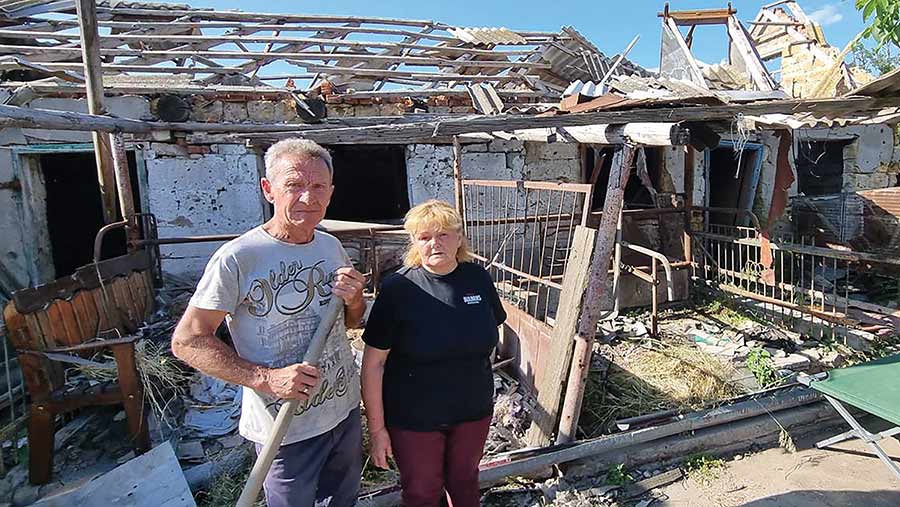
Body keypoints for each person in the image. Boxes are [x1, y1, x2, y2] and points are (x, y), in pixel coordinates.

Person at [171, 138, 367, 507]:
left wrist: (355, 300)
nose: (308, 198)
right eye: (294, 185)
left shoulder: (330, 247)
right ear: (268, 189)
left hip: (342, 414)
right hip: (286, 429)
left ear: (331, 192)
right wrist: (266, 378)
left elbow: (351, 324)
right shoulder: (239, 257)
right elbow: (188, 341)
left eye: (318, 186)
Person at [361, 199, 507, 507]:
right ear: (414, 241)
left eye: (443, 234)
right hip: (415, 418)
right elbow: (373, 363)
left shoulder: (477, 279)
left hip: (473, 412)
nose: (434, 243)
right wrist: (377, 430)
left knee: (465, 484)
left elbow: (489, 338)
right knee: (422, 493)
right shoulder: (397, 289)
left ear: (459, 237)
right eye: (425, 236)